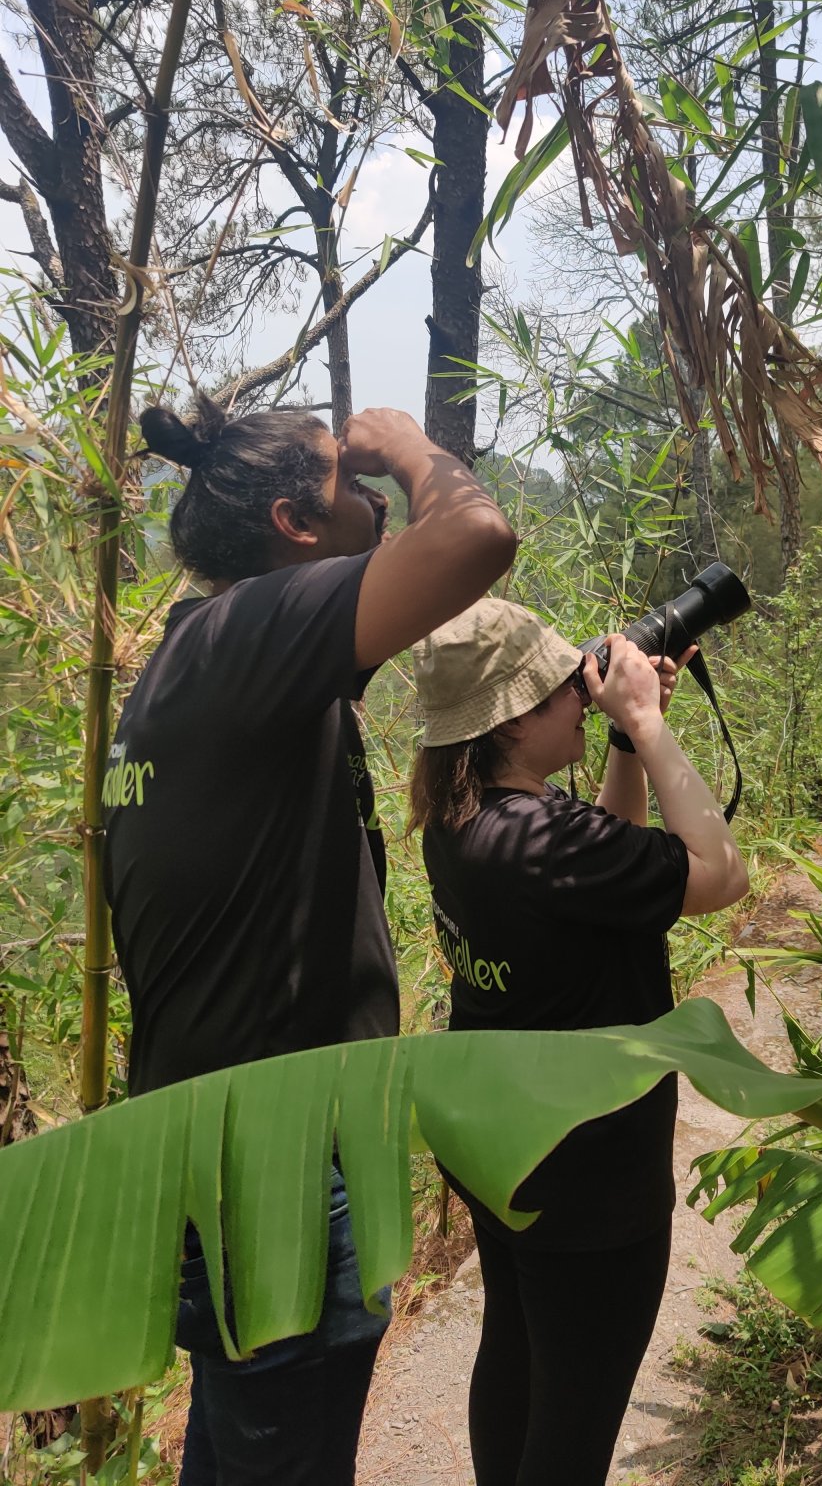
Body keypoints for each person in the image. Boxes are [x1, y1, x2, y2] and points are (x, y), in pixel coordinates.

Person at [102, 394, 516, 1486]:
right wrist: (414, 448)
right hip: (272, 1163)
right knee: (278, 1450)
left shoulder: (204, 658)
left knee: (251, 1442)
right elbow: (477, 538)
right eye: (347, 479)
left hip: (239, 1146)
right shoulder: (250, 641)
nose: (373, 492)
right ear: (294, 524)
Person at [408, 598, 749, 1486]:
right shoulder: (541, 839)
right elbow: (720, 874)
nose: (582, 694)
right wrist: (642, 716)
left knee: (517, 1350)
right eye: (566, 686)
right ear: (513, 718)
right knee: (576, 1413)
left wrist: (630, 744)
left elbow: (607, 848)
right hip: (587, 1171)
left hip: (505, 1143)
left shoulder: (469, 818)